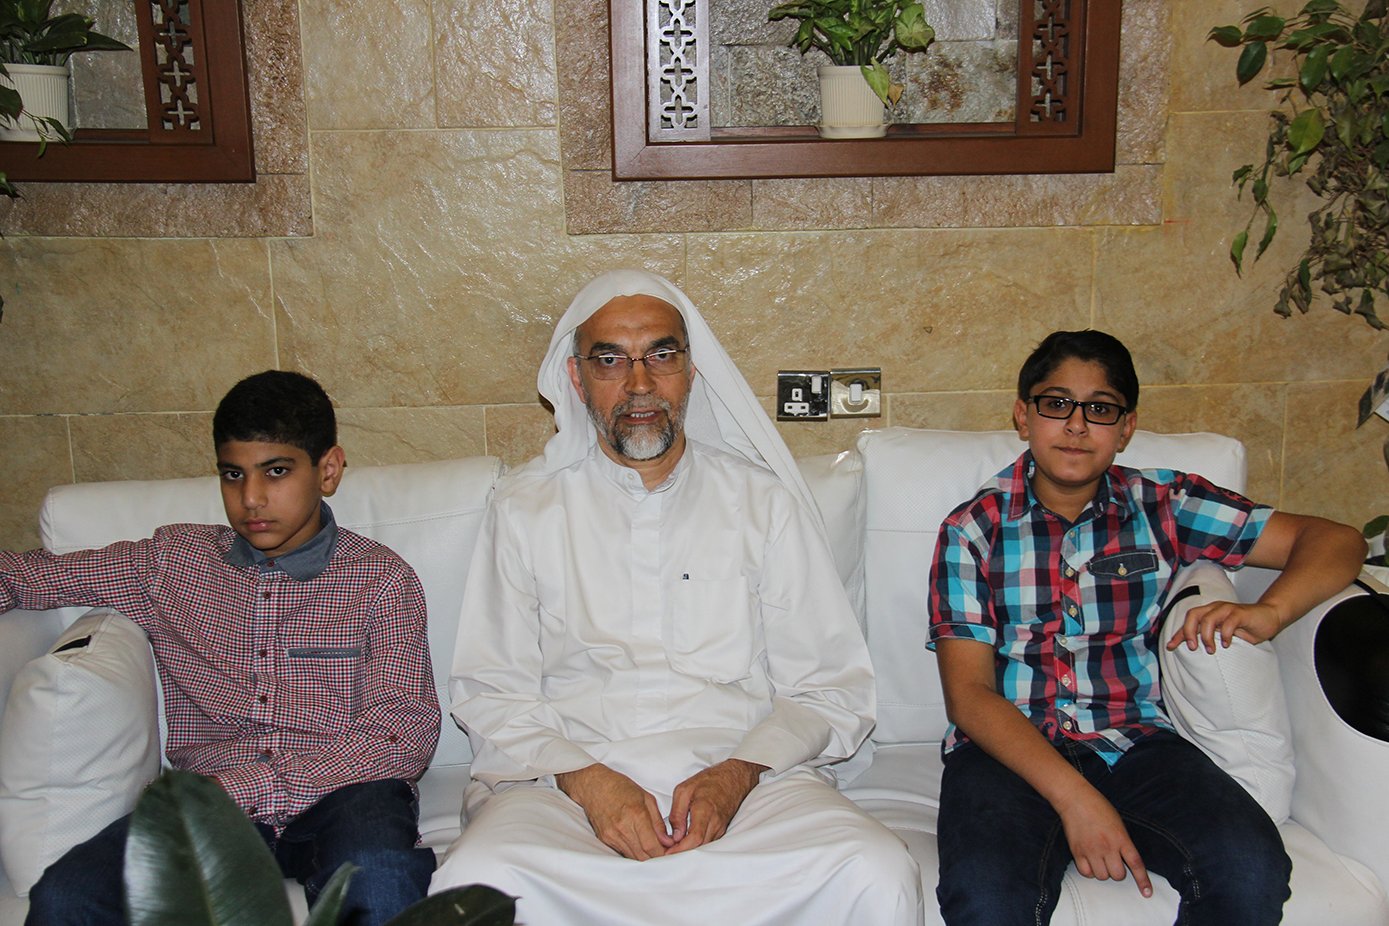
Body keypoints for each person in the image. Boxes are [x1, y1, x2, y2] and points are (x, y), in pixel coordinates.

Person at [430, 269, 922, 924]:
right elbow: (492, 691)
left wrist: (737, 774)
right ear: (576, 379)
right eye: (610, 361)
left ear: (691, 371)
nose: (639, 384)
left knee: (874, 870)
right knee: (477, 882)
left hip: (748, 780)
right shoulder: (525, 508)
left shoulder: (760, 502)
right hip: (564, 782)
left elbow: (830, 689)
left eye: (660, 356)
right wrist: (590, 783)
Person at [928, 329, 1367, 925]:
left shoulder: (1165, 504)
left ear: (1126, 427)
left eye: (1100, 409)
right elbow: (969, 696)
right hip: (1006, 752)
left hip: (1135, 741)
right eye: (1056, 404)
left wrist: (1270, 612)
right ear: (1023, 416)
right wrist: (1078, 801)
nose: (1076, 425)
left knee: (1250, 869)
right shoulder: (971, 529)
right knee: (986, 900)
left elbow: (1337, 540)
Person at [3, 371, 441, 926]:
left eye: (276, 471)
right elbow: (28, 577)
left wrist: (249, 786)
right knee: (67, 895)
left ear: (328, 470)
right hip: (209, 804)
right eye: (233, 475)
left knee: (379, 877)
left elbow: (401, 735)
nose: (251, 498)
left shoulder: (380, 579)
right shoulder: (171, 562)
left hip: (347, 794)